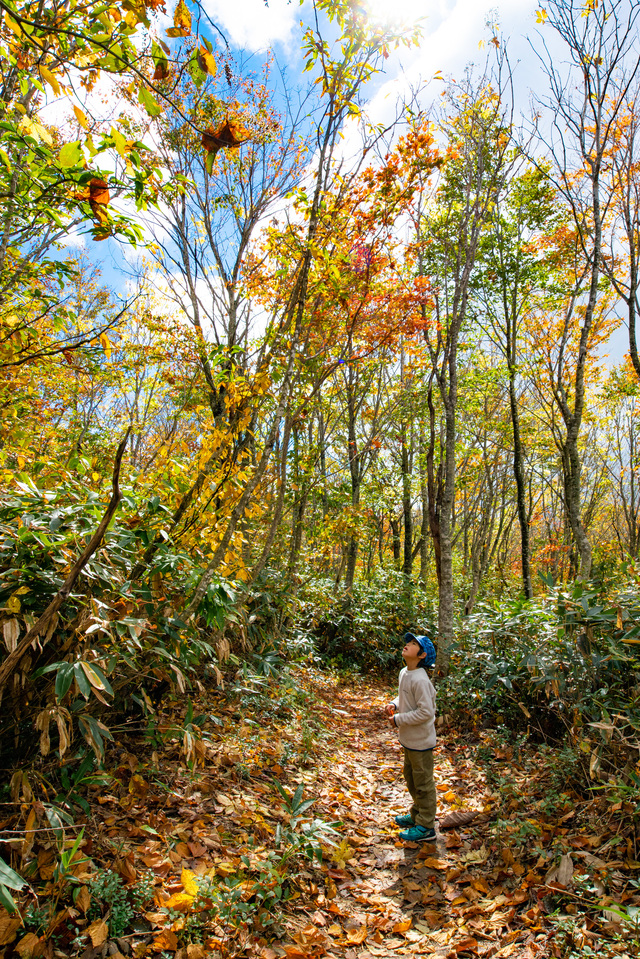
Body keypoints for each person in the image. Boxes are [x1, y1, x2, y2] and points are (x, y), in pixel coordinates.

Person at [385, 631, 437, 842]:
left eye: (414, 643)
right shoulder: (404, 673)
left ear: (422, 655)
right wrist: (395, 704)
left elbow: (426, 712)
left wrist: (399, 719)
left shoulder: (422, 681)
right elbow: (405, 695)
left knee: (423, 783)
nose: (408, 644)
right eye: (409, 641)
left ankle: (426, 826)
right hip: (408, 739)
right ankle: (417, 813)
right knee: (412, 779)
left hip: (421, 742)